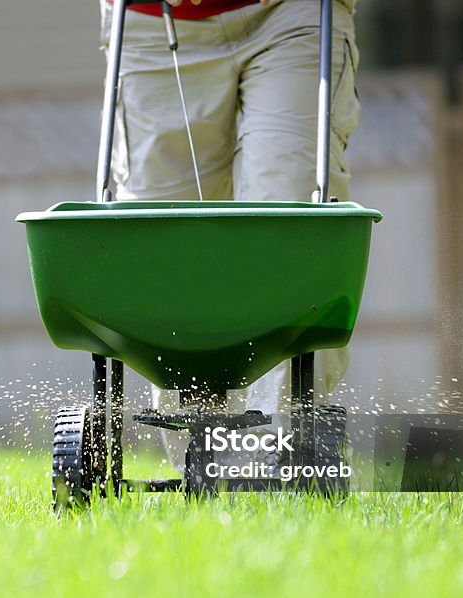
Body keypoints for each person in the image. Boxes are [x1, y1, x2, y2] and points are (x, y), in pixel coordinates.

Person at [100, 0, 360, 467]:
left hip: (291, 15)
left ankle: (288, 453)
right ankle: (201, 465)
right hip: (154, 22)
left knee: (291, 213)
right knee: (167, 247)